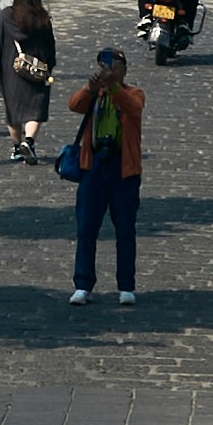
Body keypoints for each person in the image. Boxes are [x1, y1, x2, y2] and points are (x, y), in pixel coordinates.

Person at [67, 43, 144, 299]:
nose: (108, 69)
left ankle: (126, 285)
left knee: (125, 228)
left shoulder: (133, 92)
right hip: (94, 165)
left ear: (123, 69)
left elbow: (134, 107)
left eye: (113, 65)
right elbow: (74, 105)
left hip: (124, 168)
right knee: (87, 227)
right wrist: (91, 87)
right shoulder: (95, 94)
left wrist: (113, 87)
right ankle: (83, 284)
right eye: (104, 65)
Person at [0, 0, 58, 161]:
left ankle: (17, 147)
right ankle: (30, 141)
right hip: (37, 70)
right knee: (36, 108)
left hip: (12, 71)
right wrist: (50, 65)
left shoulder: (4, 17)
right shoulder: (43, 18)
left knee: (13, 111)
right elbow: (50, 45)